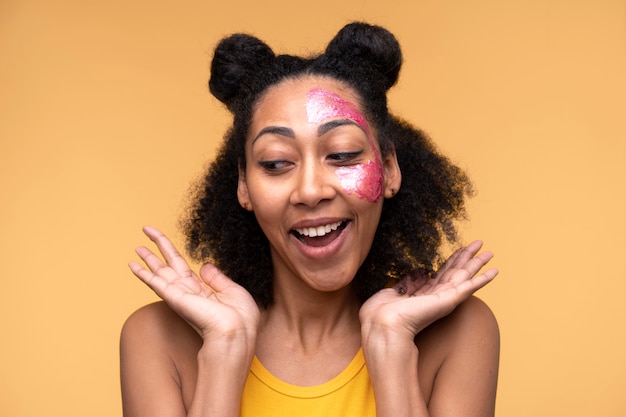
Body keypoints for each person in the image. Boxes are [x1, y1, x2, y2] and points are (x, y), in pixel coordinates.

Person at [120, 22, 500, 417]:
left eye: (341, 154)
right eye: (276, 162)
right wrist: (224, 350)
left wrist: (391, 345)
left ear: (389, 168)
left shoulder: (458, 330)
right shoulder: (156, 338)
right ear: (244, 185)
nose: (310, 190)